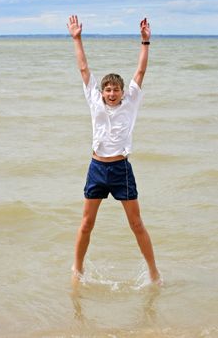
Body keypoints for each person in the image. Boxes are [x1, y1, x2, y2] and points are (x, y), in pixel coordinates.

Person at [67, 15, 161, 283]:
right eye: (107, 89)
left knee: (136, 224)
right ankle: (77, 269)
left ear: (122, 92)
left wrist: (145, 41)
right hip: (97, 168)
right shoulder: (94, 102)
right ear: (102, 92)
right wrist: (77, 38)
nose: (111, 93)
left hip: (121, 169)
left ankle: (154, 273)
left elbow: (140, 72)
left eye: (115, 89)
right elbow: (84, 69)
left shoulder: (130, 104)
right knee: (87, 223)